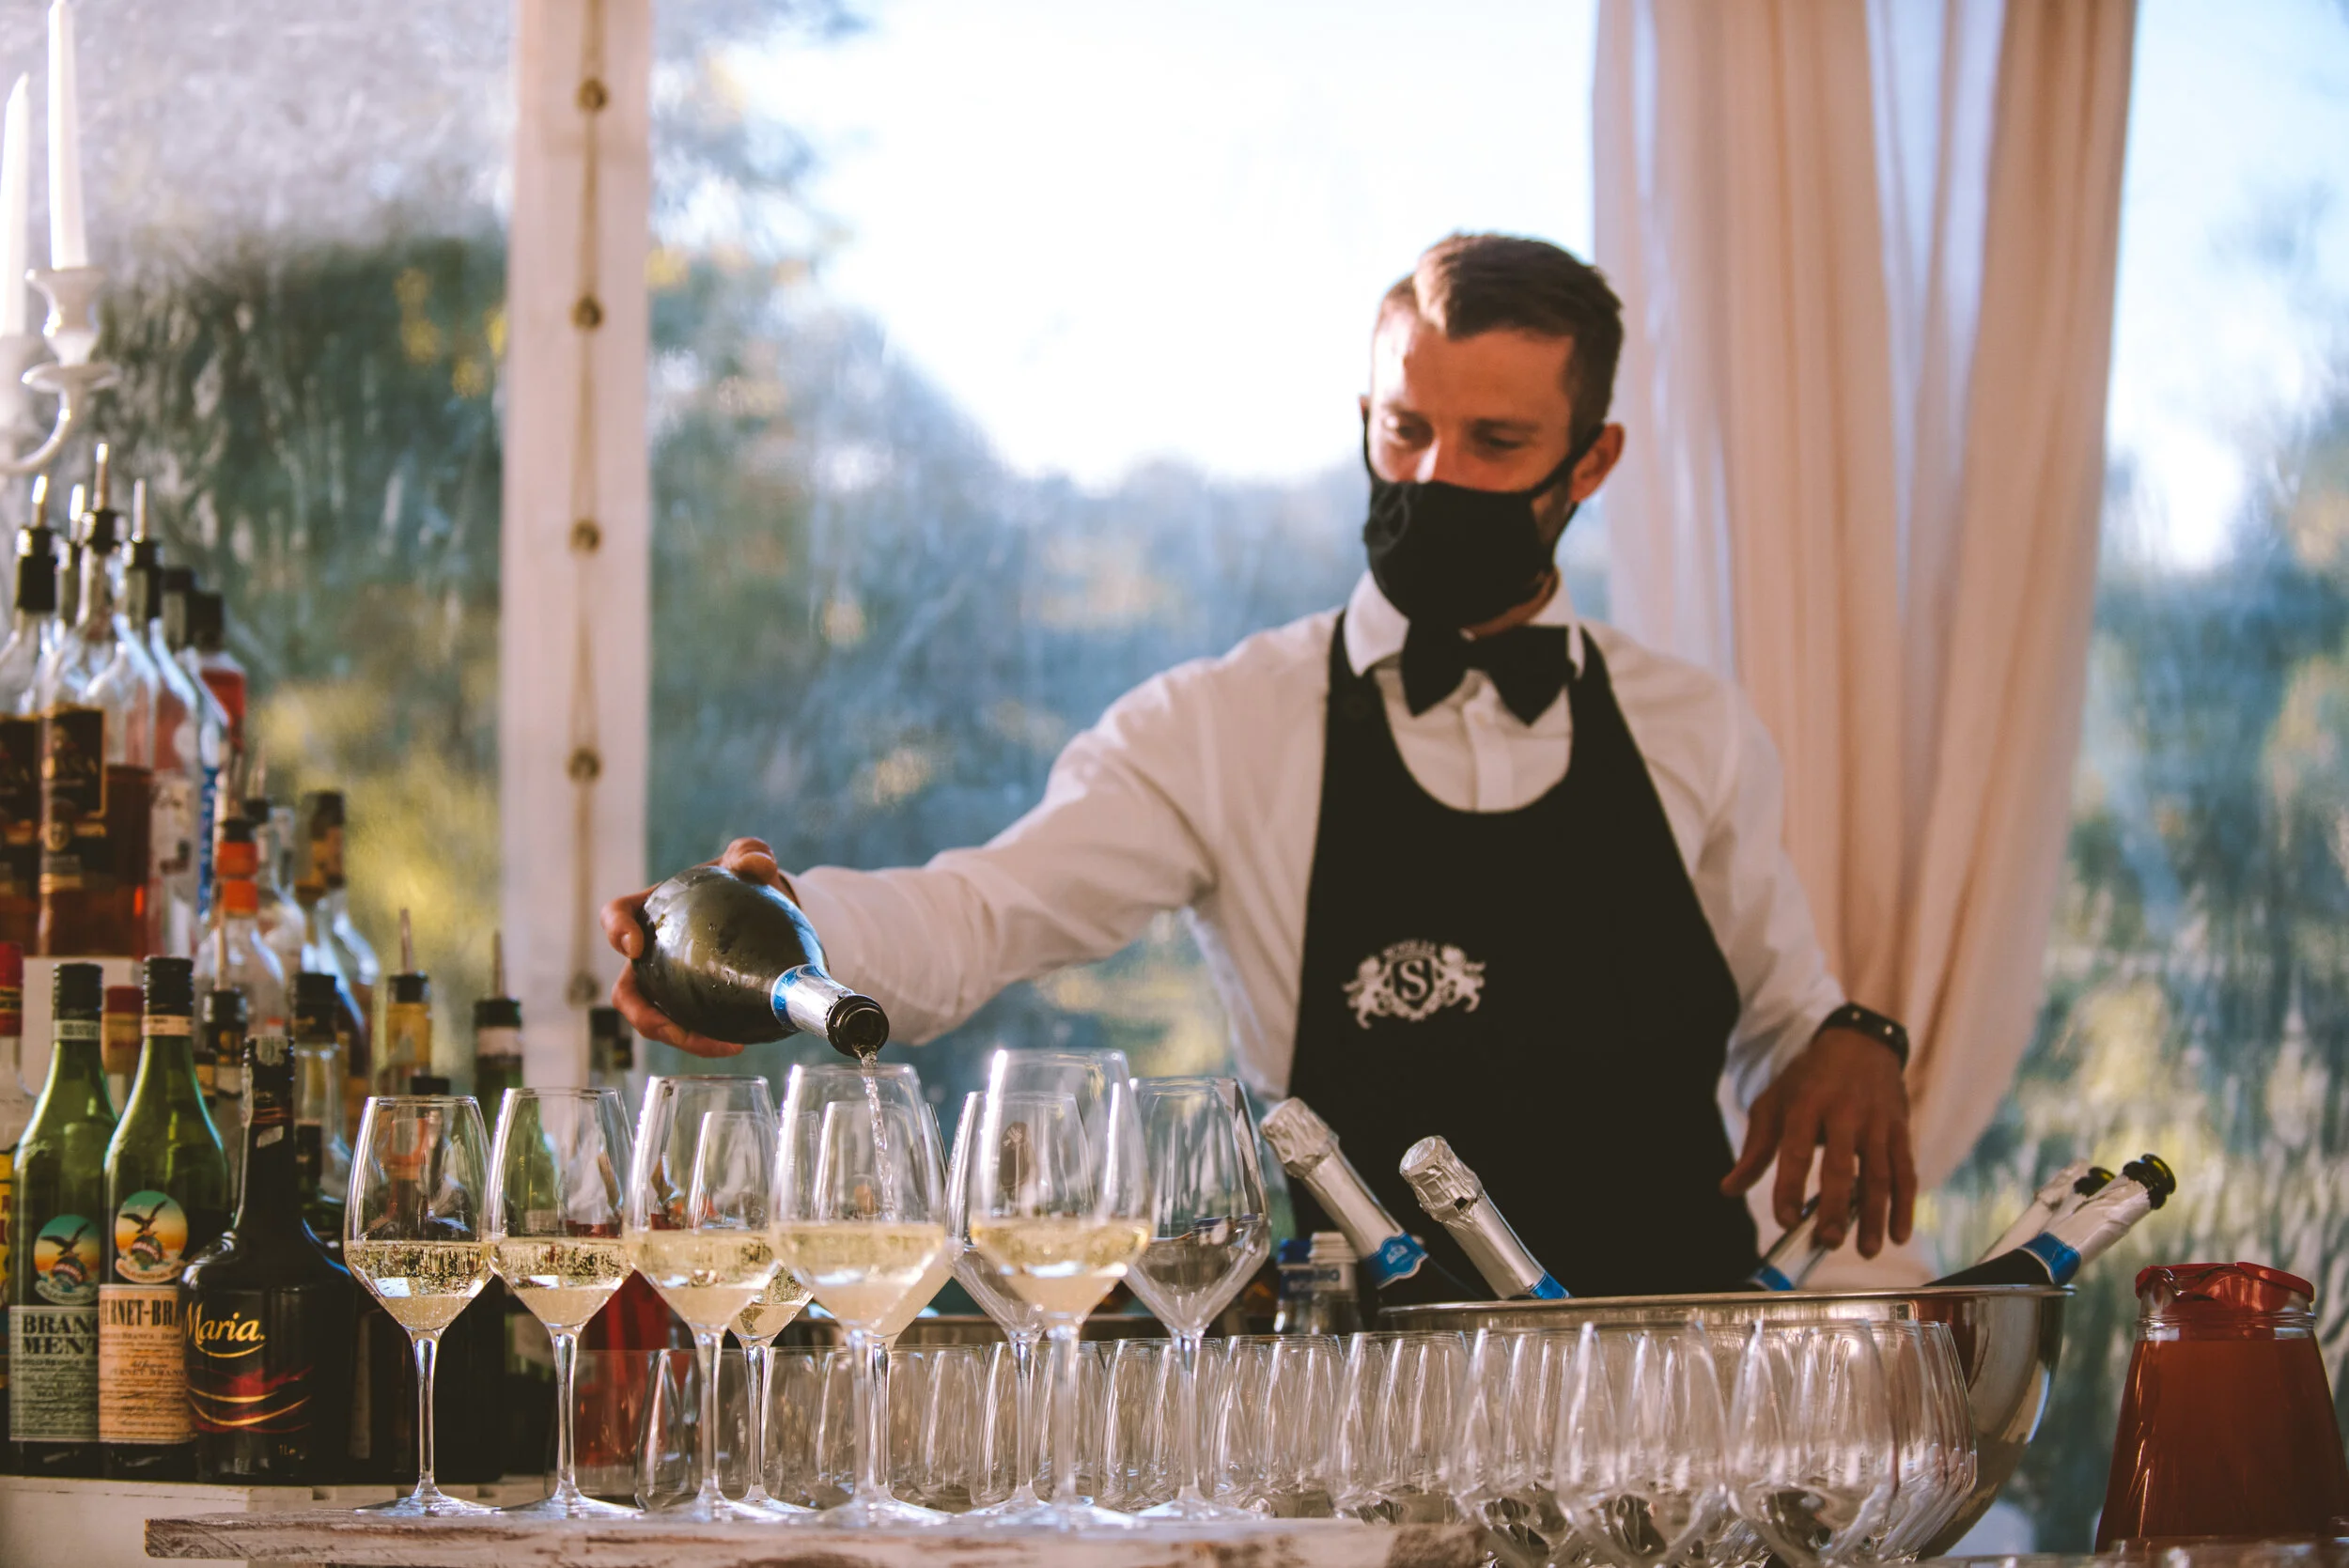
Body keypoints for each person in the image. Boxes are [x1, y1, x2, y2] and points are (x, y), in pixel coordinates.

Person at [602, 233, 1916, 1296]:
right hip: (1380, 1413)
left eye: (1496, 447)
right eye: (1406, 431)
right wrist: (796, 934)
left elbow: (1784, 1021)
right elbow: (981, 911)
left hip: (1685, 1382)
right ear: (1365, 418)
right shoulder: (1221, 725)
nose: (1434, 475)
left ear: (1594, 460)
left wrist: (1852, 1036)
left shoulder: (1696, 727)